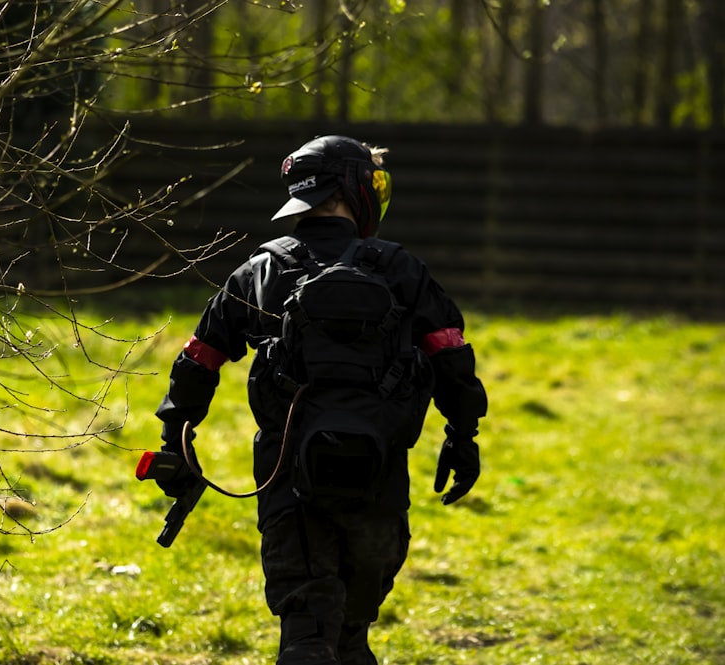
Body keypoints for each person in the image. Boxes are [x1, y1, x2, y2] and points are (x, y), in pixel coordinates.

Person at [153, 135, 488, 665]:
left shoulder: (261, 270)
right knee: (351, 635)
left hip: (289, 484)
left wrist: (176, 438)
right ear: (354, 189)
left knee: (307, 631)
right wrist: (463, 436)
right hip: (378, 484)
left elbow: (200, 358)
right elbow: (450, 354)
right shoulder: (400, 268)